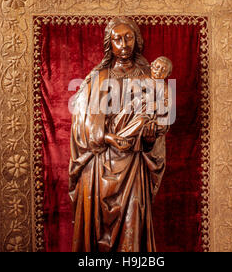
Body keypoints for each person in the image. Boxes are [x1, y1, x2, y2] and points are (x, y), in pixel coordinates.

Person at [69, 17, 170, 252]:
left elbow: (160, 116)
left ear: (137, 41)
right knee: (95, 223)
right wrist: (108, 137)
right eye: (117, 39)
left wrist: (150, 134)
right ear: (109, 44)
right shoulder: (99, 77)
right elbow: (81, 122)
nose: (124, 44)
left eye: (129, 37)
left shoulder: (149, 76)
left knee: (134, 212)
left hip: (133, 162)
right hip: (99, 161)